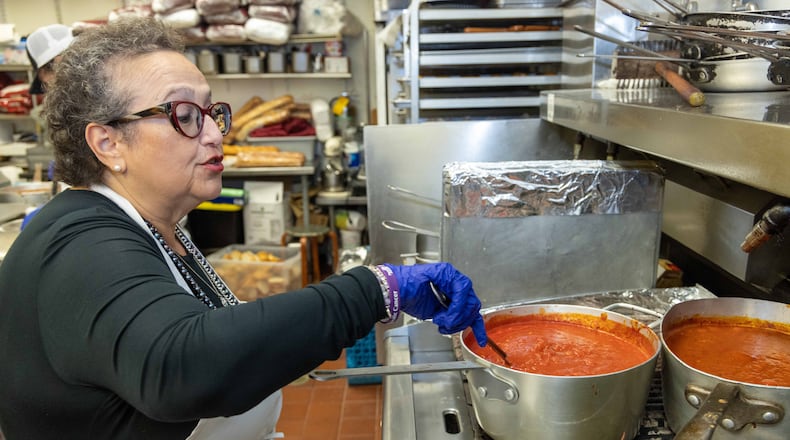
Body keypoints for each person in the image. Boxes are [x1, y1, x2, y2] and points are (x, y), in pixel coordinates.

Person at [0, 16, 488, 440]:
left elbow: (223, 337)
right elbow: (182, 365)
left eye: (211, 113)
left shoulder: (156, 226)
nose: (215, 133)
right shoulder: (82, 243)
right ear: (108, 143)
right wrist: (375, 291)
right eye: (183, 115)